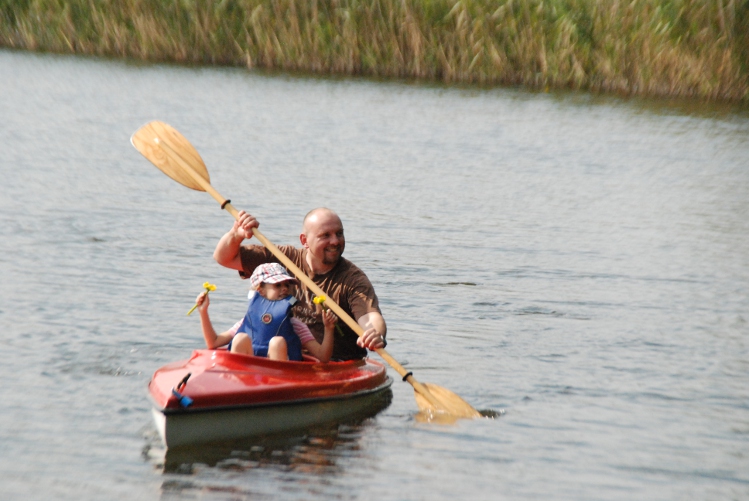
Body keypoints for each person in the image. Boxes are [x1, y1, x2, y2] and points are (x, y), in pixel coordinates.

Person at [213, 207, 387, 361]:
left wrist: (375, 334)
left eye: (339, 233)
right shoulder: (283, 258)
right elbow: (224, 258)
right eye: (325, 235)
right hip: (284, 355)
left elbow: (370, 317)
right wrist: (236, 235)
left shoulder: (353, 279)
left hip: (333, 363)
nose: (335, 241)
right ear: (304, 241)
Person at [195, 262, 339, 362]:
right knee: (240, 339)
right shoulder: (248, 323)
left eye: (286, 285)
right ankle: (238, 387)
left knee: (277, 342)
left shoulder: (295, 325)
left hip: (278, 379)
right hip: (247, 377)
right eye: (277, 285)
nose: (284, 289)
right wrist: (203, 312)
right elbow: (213, 343)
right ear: (260, 291)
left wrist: (329, 328)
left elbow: (323, 357)